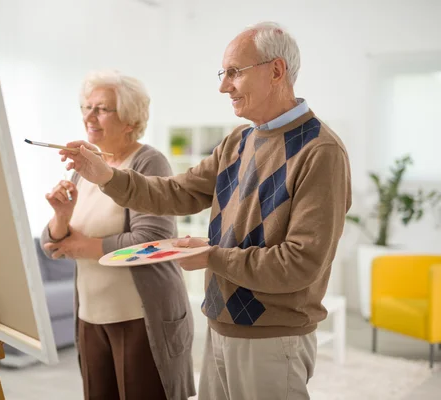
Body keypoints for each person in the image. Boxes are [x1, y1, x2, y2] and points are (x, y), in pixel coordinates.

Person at [59, 22, 352, 400]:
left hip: (272, 337)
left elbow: (299, 264)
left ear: (276, 71)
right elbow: (177, 192)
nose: (223, 85)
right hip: (219, 326)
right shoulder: (239, 140)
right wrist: (104, 175)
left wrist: (212, 257)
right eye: (223, 73)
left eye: (234, 72)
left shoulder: (320, 151)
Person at [40, 70, 196, 400]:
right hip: (91, 316)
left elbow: (152, 239)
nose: (89, 117)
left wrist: (80, 246)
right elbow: (53, 246)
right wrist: (61, 216)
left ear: (129, 119)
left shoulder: (148, 162)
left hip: (139, 316)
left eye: (101, 108)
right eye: (86, 107)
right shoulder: (85, 166)